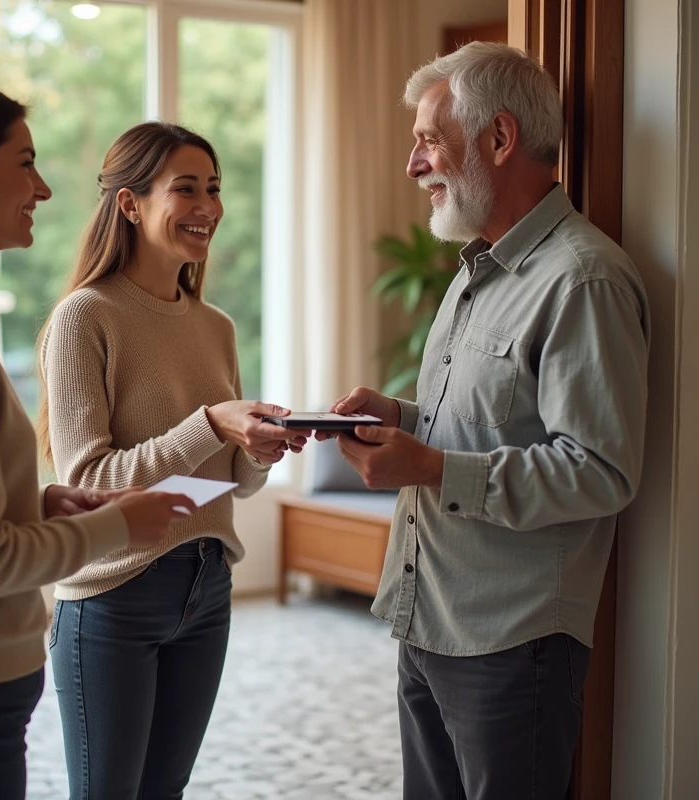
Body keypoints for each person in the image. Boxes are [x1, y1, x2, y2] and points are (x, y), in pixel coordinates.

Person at [321, 43, 650, 800]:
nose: (414, 165)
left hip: (511, 640)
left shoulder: (584, 280)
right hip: (427, 615)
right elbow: (490, 423)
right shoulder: (476, 272)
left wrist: (429, 467)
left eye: (428, 140)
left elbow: (601, 471)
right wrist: (400, 418)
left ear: (499, 138)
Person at [35, 121, 306, 799]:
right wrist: (211, 423)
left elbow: (233, 483)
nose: (207, 207)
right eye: (186, 189)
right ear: (130, 203)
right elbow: (88, 482)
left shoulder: (216, 326)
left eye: (213, 188)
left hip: (206, 586)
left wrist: (259, 449)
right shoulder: (85, 316)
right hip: (114, 595)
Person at [0, 80, 197, 800]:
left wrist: (40, 502)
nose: (45, 188)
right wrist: (119, 522)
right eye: (25, 163)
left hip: (4, 674)